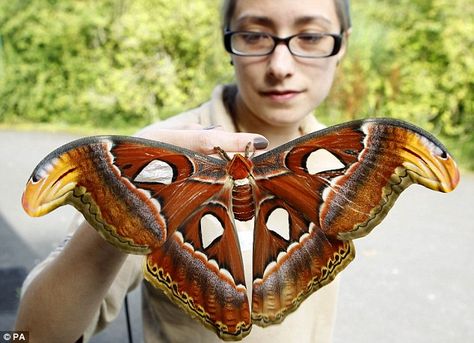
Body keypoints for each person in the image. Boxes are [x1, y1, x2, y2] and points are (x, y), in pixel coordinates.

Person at [15, 0, 352, 342]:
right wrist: (119, 208)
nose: (280, 66)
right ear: (228, 43)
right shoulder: (161, 157)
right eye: (253, 35)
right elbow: (32, 336)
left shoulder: (342, 156)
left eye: (310, 36)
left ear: (343, 44)